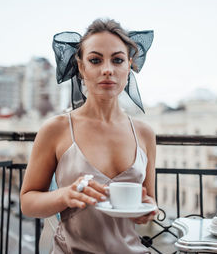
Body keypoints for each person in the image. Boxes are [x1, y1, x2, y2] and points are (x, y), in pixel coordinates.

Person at [20, 18, 157, 254]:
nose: (107, 69)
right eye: (95, 60)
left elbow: (149, 202)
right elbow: (28, 202)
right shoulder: (56, 129)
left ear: (129, 66)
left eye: (117, 60)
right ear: (82, 67)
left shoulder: (144, 133)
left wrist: (147, 211)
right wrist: (65, 195)